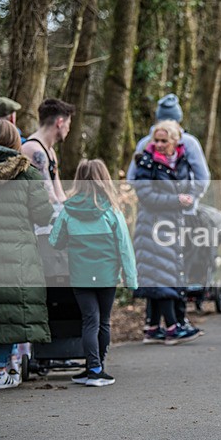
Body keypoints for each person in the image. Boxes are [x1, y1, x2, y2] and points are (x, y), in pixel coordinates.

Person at [127, 94, 210, 335]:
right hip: (159, 218)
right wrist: (183, 200)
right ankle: (173, 325)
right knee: (163, 270)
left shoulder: (183, 147)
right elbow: (140, 184)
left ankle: (154, 325)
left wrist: (187, 198)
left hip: (175, 216)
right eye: (158, 140)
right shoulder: (148, 152)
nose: (159, 143)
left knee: (166, 269)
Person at [49, 159, 137, 386]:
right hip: (107, 276)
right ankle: (97, 369)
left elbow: (55, 242)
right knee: (103, 322)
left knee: (89, 321)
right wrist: (131, 279)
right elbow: (124, 247)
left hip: (80, 276)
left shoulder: (68, 210)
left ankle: (92, 367)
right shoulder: (111, 211)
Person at [0, 121, 55, 389]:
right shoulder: (27, 174)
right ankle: (1, 372)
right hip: (15, 256)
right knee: (9, 312)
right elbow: (43, 215)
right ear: (16, 143)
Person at [21, 98, 75, 205]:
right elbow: (49, 196)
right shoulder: (33, 150)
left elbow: (59, 194)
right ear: (59, 123)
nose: (68, 129)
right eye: (68, 124)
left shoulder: (50, 152)